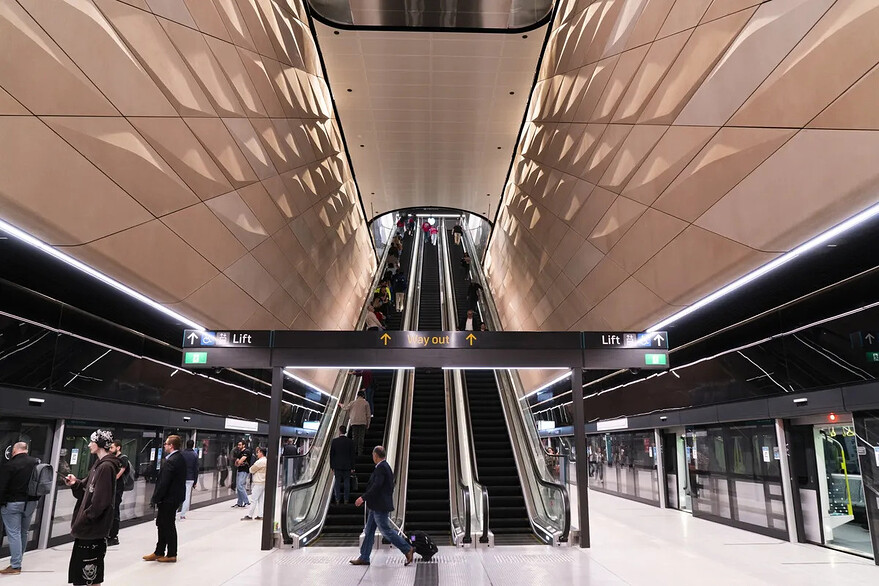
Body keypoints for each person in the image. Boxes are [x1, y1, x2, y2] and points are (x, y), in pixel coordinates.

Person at [65, 429, 120, 585]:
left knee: (88, 576)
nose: (89, 445)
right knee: (85, 575)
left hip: (92, 530)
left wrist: (85, 518)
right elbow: (86, 490)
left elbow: (101, 501)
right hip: (88, 531)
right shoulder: (98, 465)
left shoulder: (106, 467)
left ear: (100, 444)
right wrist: (76, 483)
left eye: (91, 442)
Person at [349, 446, 414, 566]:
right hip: (376, 505)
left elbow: (376, 486)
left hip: (379, 506)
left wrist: (363, 498)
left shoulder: (382, 468)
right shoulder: (385, 467)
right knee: (369, 531)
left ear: (375, 455)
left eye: (373, 455)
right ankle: (364, 557)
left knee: (386, 530)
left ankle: (407, 548)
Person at [144, 435, 186, 564]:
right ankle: (159, 551)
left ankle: (171, 554)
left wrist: (155, 498)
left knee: (167, 525)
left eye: (166, 444)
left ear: (171, 446)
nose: (164, 446)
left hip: (168, 499)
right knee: (162, 524)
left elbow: (164, 483)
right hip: (173, 497)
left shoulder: (172, 461)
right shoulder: (179, 458)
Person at [0, 442, 39, 576]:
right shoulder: (36, 463)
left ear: (14, 451)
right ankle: (18, 561)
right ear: (26, 450)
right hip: (31, 503)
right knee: (23, 532)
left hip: (13, 503)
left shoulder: (10, 465)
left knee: (14, 533)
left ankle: (16, 565)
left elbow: (2, 486)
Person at [107, 440, 131, 546]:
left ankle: (113, 536)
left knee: (115, 510)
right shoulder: (114, 458)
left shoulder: (123, 458)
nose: (110, 449)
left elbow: (117, 475)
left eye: (112, 447)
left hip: (118, 489)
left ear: (118, 448)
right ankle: (109, 533)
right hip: (113, 488)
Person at [329, 426, 355, 505]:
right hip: (347, 466)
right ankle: (346, 499)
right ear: (346, 432)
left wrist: (332, 466)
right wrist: (353, 467)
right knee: (347, 483)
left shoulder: (334, 441)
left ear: (339, 431)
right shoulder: (350, 442)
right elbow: (352, 455)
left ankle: (337, 499)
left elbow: (332, 455)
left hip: (337, 466)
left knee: (337, 482)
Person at [340, 391, 371, 456]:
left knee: (354, 438)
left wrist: (341, 405)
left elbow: (345, 408)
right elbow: (368, 415)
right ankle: (360, 453)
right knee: (361, 438)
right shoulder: (366, 403)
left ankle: (353, 452)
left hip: (354, 422)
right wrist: (368, 424)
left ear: (357, 395)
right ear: (363, 395)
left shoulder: (352, 403)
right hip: (362, 422)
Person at [242, 447, 267, 521]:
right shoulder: (266, 460)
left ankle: (250, 515)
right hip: (263, 481)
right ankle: (260, 514)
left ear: (261, 453)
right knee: (260, 499)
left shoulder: (260, 462)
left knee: (254, 499)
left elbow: (251, 470)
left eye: (258, 452)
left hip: (258, 482)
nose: (257, 454)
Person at [179, 440, 199, 520]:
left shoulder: (181, 454)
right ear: (193, 445)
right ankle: (182, 514)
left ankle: (174, 512)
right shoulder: (194, 455)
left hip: (181, 477)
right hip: (190, 478)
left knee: (178, 495)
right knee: (186, 496)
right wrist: (195, 481)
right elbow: (196, 469)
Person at [231, 441, 252, 508]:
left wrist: (239, 462)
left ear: (244, 445)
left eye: (240, 445)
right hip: (240, 470)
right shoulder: (239, 453)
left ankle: (246, 501)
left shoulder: (246, 451)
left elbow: (240, 461)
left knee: (240, 485)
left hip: (244, 470)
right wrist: (238, 462)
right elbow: (236, 463)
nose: (238, 446)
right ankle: (240, 502)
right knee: (239, 486)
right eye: (238, 445)